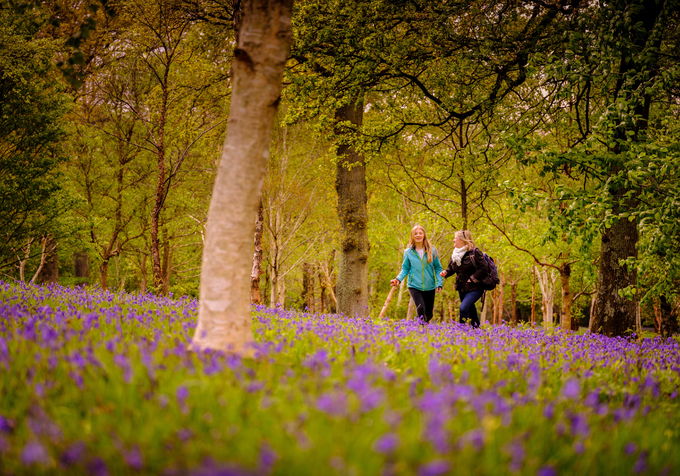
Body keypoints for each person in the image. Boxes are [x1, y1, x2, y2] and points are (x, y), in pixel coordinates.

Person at [390, 225, 444, 323]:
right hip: (414, 285)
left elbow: (438, 268)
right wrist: (398, 279)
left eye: (420, 233)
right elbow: (405, 269)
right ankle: (420, 331)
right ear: (412, 236)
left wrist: (439, 283)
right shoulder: (408, 252)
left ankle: (420, 327)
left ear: (424, 235)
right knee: (420, 308)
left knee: (429, 314)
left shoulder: (432, 250)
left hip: (430, 286)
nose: (418, 235)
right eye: (416, 233)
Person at [440, 230, 489, 327]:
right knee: (471, 310)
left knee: (463, 308)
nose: (453, 240)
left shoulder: (475, 252)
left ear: (462, 240)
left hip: (475, 287)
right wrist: (446, 272)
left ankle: (461, 333)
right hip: (462, 287)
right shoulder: (455, 254)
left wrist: (472, 278)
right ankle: (478, 332)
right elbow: (451, 268)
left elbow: (484, 268)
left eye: (455, 238)